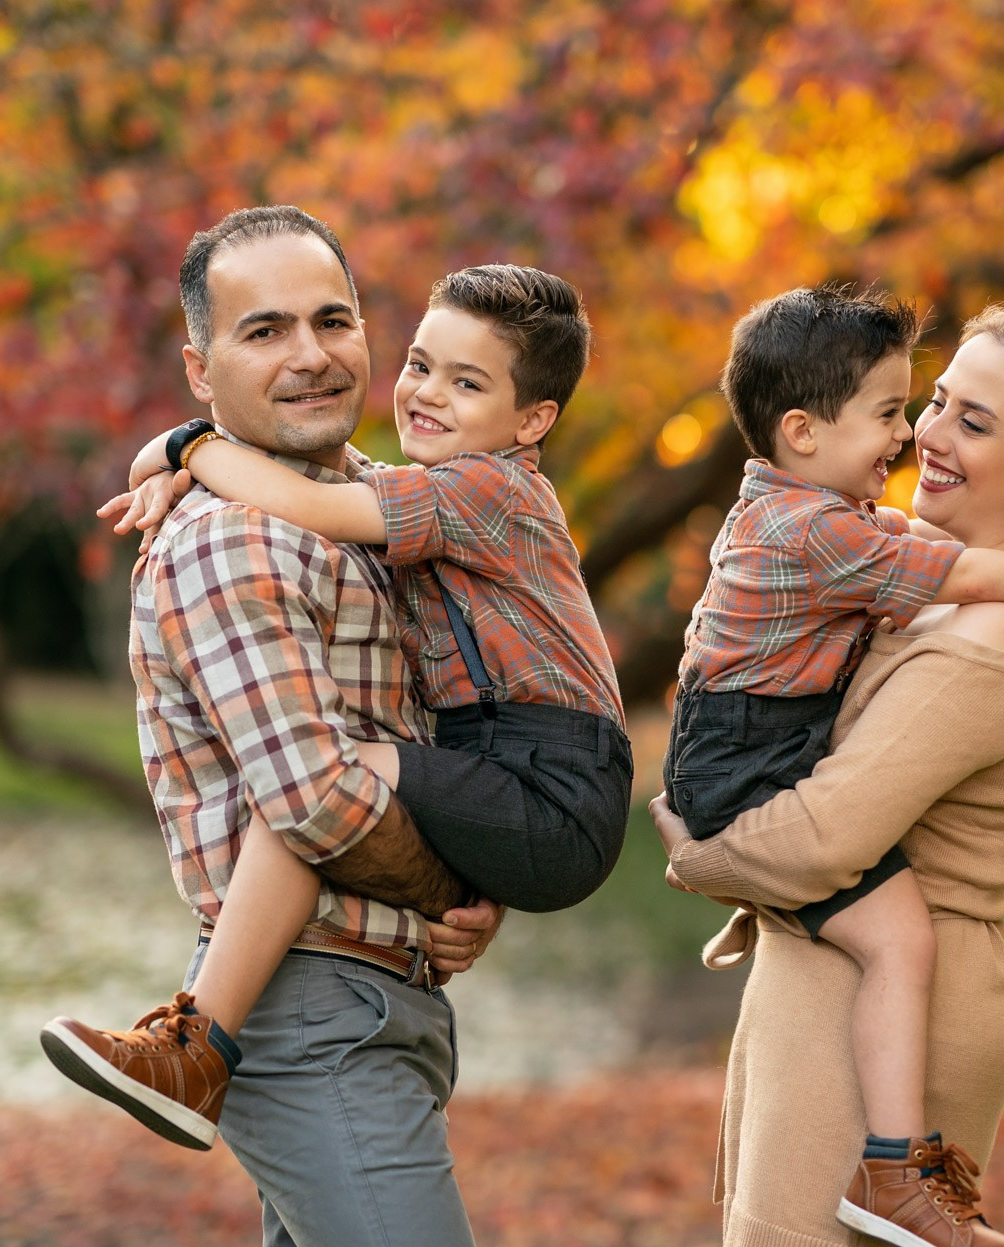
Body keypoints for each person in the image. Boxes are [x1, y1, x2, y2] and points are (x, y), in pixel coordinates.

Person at [41, 205, 502, 1247]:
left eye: (331, 319)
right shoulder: (232, 539)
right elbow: (315, 800)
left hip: (377, 1000)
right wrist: (455, 885)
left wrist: (175, 451)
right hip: (308, 1010)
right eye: (263, 332)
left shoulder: (379, 509)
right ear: (201, 368)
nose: (308, 354)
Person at [56, 263, 631, 1150]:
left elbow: (308, 499)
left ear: (533, 422)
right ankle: (196, 1046)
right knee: (320, 772)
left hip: (556, 784)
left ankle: (199, 1042)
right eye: (421, 364)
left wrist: (186, 450)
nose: (427, 395)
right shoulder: (429, 490)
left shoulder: (490, 491)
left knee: (313, 775)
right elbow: (331, 484)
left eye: (467, 382)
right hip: (509, 771)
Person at [653, 304, 1004, 1247]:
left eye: (972, 421)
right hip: (832, 994)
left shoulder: (1002, 631)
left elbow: (831, 830)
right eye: (930, 402)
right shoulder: (898, 567)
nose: (925, 432)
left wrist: (700, 853)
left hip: (883, 1022)